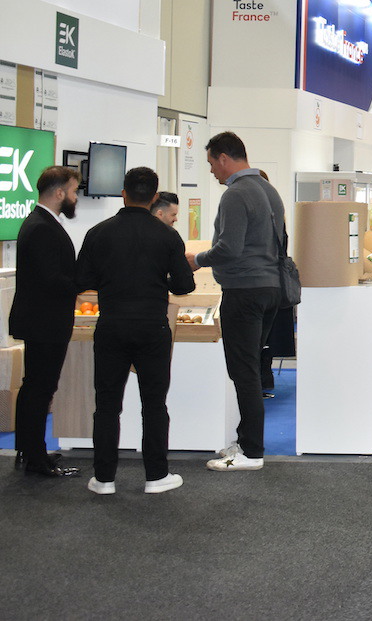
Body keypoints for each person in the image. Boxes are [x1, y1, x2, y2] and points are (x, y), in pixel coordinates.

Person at [77, 167, 196, 495]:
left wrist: (110, 280)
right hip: (152, 328)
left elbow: (81, 280)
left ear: (123, 194)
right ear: (155, 197)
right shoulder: (167, 236)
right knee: (154, 404)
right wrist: (160, 280)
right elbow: (184, 285)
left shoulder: (98, 233)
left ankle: (104, 479)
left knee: (106, 405)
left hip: (111, 326)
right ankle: (156, 476)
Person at [189, 132, 285, 472]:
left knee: (244, 372)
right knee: (250, 368)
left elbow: (228, 248)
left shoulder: (236, 194)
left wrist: (196, 259)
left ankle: (252, 452)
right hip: (270, 289)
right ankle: (245, 441)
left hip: (244, 290)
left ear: (224, 158)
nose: (212, 171)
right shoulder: (268, 190)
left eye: (211, 163)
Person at [10, 166, 82, 478]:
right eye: (74, 191)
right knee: (40, 388)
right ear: (59, 192)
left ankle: (30, 450)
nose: (76, 197)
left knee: (35, 387)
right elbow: (52, 279)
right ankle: (35, 458)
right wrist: (82, 283)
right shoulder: (41, 227)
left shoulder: (41, 222)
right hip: (45, 322)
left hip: (41, 320)